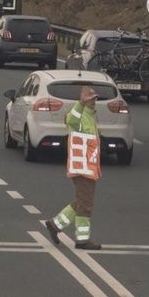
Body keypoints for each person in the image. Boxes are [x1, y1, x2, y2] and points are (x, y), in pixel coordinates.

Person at [45, 86, 103, 250]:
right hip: (81, 167)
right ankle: (82, 240)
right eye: (91, 99)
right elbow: (71, 120)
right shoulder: (80, 114)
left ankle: (55, 225)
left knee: (81, 202)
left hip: (89, 168)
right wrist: (80, 103)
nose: (94, 101)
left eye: (94, 98)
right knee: (86, 204)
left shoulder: (91, 116)